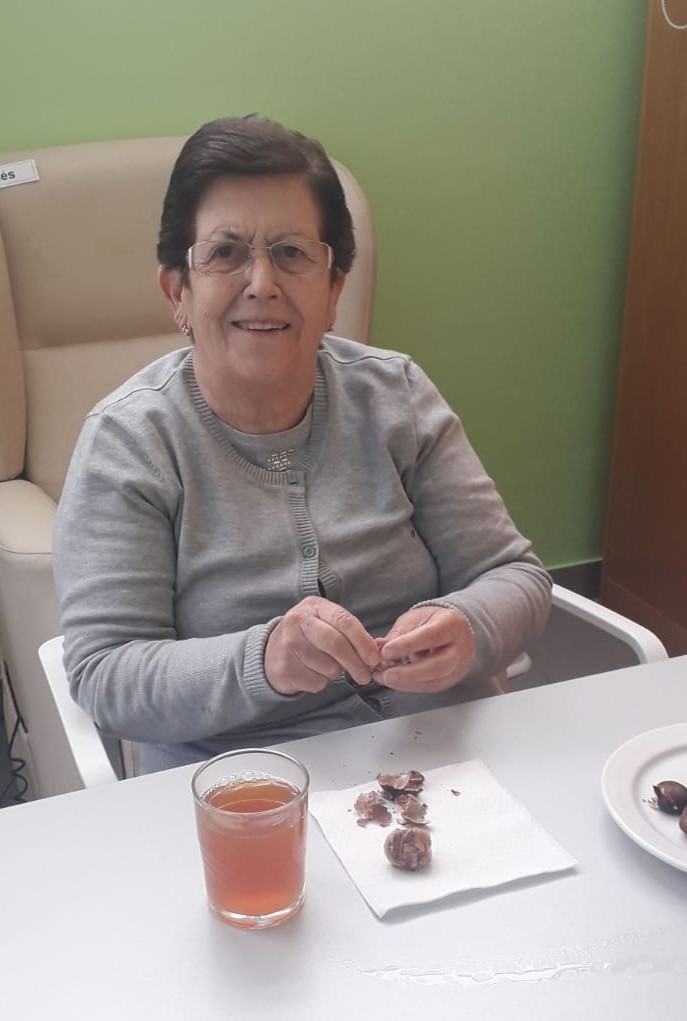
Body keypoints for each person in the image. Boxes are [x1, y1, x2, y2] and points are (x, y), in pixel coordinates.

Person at [53, 114, 552, 774]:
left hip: (439, 761)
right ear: (178, 291)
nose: (262, 283)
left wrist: (467, 626)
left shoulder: (395, 395)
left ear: (333, 287)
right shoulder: (129, 442)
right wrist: (262, 660)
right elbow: (105, 674)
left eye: (291, 253)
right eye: (225, 253)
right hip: (243, 784)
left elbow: (515, 576)